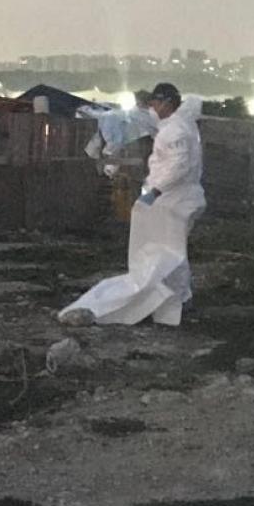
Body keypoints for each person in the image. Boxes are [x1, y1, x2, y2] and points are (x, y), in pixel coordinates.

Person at [60, 82, 205, 326]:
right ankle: (176, 298)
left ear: (167, 103)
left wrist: (156, 190)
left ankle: (167, 298)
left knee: (166, 251)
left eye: (155, 104)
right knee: (172, 251)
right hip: (176, 197)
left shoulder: (176, 130)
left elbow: (178, 166)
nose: (152, 109)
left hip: (174, 199)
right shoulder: (180, 126)